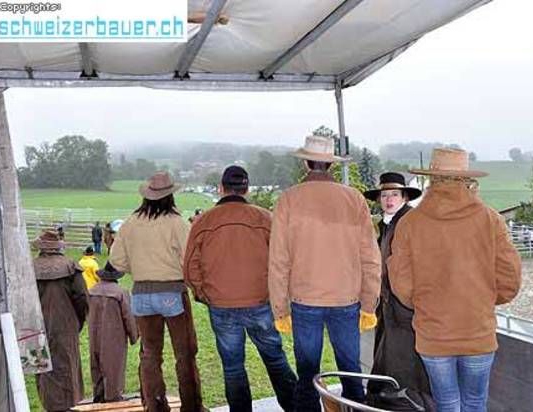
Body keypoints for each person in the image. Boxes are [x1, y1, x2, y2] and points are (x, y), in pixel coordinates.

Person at [388, 148, 522, 412]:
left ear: (431, 178)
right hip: (477, 330)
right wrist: (482, 299)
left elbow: (401, 283)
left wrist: (425, 303)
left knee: (446, 403)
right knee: (475, 402)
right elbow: (510, 279)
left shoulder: (410, 223)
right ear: (467, 179)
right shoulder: (490, 219)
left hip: (433, 333)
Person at [268, 134, 382, 411]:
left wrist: (280, 309)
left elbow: (279, 260)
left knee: (307, 374)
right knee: (351, 371)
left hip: (304, 300)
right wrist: (369, 304)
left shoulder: (289, 199)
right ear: (331, 164)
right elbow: (370, 257)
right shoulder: (354, 199)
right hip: (347, 300)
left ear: (306, 163)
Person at [184, 165, 296, 412]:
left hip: (221, 304)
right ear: (246, 189)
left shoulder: (203, 222)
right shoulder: (265, 218)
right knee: (276, 359)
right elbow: (284, 260)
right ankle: (296, 407)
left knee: (233, 367)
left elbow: (190, 265)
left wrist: (203, 293)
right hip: (260, 302)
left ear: (221, 188)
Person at [110, 171, 206, 412]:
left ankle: (155, 406)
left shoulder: (130, 223)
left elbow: (117, 261)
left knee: (150, 355)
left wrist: (138, 267)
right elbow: (189, 259)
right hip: (172, 292)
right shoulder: (176, 222)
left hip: (141, 293)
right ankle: (192, 406)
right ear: (170, 195)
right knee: (185, 353)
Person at [362, 173, 433, 410]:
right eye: (384, 195)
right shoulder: (386, 224)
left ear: (404, 197)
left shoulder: (411, 222)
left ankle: (409, 404)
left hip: (406, 307)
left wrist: (407, 300)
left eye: (394, 194)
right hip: (388, 305)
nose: (389, 199)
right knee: (390, 361)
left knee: (405, 366)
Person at [32, 230, 88, 412]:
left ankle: (49, 405)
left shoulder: (29, 268)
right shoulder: (70, 267)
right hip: (65, 325)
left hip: (35, 327)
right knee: (67, 367)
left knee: (41, 369)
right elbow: (82, 298)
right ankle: (68, 405)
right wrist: (77, 322)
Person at [89, 261, 138, 403]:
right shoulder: (120, 293)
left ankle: (98, 396)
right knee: (113, 367)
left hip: (94, 333)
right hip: (115, 335)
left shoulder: (91, 291)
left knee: (96, 365)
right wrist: (134, 335)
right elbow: (128, 316)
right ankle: (113, 399)